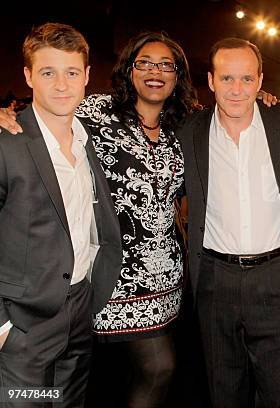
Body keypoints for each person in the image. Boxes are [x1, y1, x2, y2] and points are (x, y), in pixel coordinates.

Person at [0, 31, 199, 406]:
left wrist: (264, 104)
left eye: (166, 65)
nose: (155, 72)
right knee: (155, 368)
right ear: (129, 69)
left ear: (178, 76)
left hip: (162, 277)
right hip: (112, 277)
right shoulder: (97, 112)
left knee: (89, 385)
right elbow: (43, 113)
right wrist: (4, 114)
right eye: (144, 63)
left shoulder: (183, 126)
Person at [177, 37, 280, 408]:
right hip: (215, 281)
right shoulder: (189, 131)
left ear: (260, 80)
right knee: (223, 392)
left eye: (246, 79)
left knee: (277, 391)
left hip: (278, 278)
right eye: (227, 79)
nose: (237, 90)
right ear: (210, 80)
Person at [0, 23, 121, 407]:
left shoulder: (88, 138)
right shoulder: (7, 143)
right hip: (23, 328)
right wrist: (3, 327)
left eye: (71, 72)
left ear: (87, 76)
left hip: (80, 312)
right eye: (48, 72)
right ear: (28, 75)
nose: (62, 84)